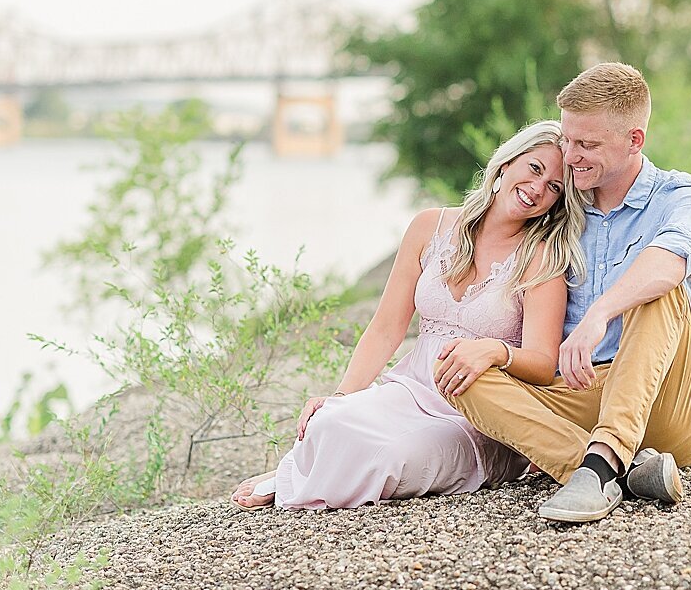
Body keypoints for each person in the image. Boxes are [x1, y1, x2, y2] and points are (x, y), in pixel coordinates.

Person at [230, 120, 588, 510]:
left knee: (391, 456)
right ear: (506, 164)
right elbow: (386, 329)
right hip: (408, 390)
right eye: (534, 169)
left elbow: (541, 363)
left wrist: (496, 351)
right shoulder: (429, 226)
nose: (538, 188)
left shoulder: (542, 259)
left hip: (475, 416)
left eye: (555, 187)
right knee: (328, 421)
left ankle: (293, 481)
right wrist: (340, 396)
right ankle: (298, 472)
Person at [450, 62, 691, 523]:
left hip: (668, 401)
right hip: (581, 394)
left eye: (587, 145)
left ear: (635, 140)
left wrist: (600, 313)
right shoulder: (561, 205)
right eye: (568, 141)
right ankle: (620, 469)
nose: (570, 156)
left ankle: (597, 466)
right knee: (461, 371)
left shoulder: (681, 196)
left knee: (657, 290)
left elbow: (672, 259)